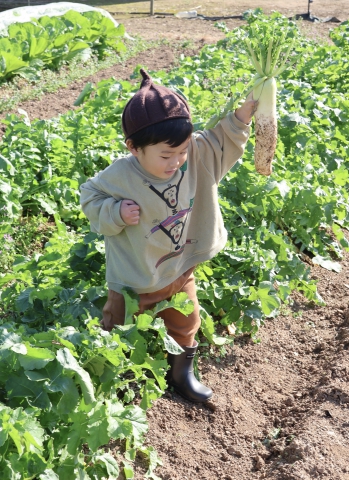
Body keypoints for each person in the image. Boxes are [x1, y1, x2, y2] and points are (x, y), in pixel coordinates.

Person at [80, 69, 257, 403]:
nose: (176, 161)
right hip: (135, 277)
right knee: (117, 327)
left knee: (186, 321)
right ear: (133, 147)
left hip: (179, 270)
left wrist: (245, 114)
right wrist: (115, 213)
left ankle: (181, 373)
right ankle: (112, 377)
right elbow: (89, 196)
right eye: (165, 155)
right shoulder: (119, 175)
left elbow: (221, 140)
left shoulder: (196, 157)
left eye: (182, 151)